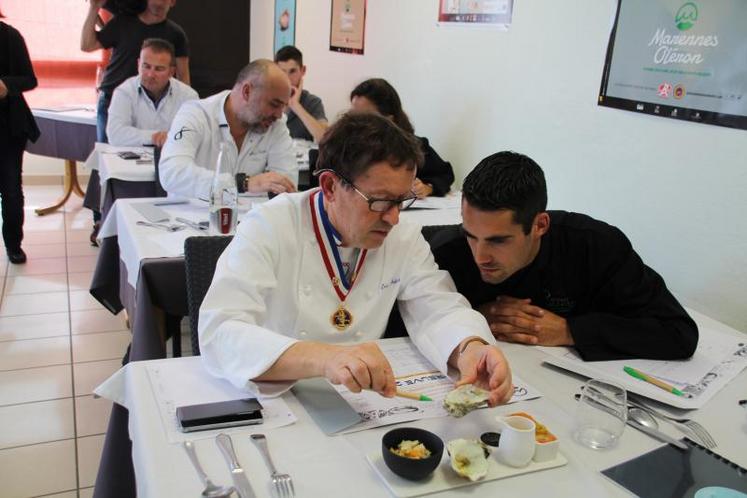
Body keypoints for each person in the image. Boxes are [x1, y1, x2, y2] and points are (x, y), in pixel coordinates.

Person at [199, 112, 513, 406]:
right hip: (283, 394)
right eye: (379, 201)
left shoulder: (402, 236)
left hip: (366, 398)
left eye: (401, 201)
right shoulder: (270, 225)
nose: (393, 218)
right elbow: (220, 331)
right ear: (330, 187)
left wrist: (470, 348)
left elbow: (437, 307)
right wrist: (326, 358)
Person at [433, 151, 698, 361]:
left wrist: (570, 331)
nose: (480, 257)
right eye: (471, 235)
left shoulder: (594, 246)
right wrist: (469, 319)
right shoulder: (448, 252)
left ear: (540, 226)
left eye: (498, 240)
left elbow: (678, 333)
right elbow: (414, 322)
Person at [159, 59, 298, 199]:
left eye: (283, 106)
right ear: (247, 91)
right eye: (274, 104)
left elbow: (287, 185)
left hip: (251, 213)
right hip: (191, 212)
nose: (279, 115)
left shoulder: (275, 124)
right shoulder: (195, 114)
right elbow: (172, 173)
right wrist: (243, 184)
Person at [81, 0, 190, 143]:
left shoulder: (176, 34)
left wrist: (185, 110)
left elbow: (183, 76)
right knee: (110, 150)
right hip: (112, 97)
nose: (158, 3)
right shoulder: (122, 23)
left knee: (152, 147)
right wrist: (94, 8)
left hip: (153, 104)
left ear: (172, 2)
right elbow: (87, 45)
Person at [350, 78, 454, 198]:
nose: (356, 124)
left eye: (366, 117)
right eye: (353, 116)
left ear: (389, 119)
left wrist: (428, 187)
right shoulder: (343, 147)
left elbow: (445, 174)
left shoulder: (413, 146)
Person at [106, 38, 198, 147]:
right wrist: (155, 137)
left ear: (171, 72)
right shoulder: (124, 92)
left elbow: (192, 135)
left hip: (173, 156)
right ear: (138, 64)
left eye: (159, 69)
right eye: (146, 66)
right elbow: (115, 135)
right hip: (131, 157)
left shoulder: (188, 96)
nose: (150, 75)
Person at [0, 12, 39, 264]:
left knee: (11, 188)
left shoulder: (10, 36)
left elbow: (30, 79)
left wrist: (6, 85)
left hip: (8, 126)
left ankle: (13, 244)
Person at [273, 45, 328, 143]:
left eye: (292, 71)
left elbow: (325, 139)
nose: (287, 78)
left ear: (303, 71)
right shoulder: (267, 99)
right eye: (282, 72)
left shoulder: (313, 102)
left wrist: (296, 106)